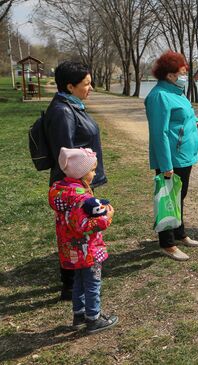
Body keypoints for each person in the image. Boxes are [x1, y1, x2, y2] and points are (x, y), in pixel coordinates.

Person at [46, 61, 107, 301]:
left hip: (82, 183)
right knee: (74, 232)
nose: (90, 88)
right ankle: (72, 285)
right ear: (70, 86)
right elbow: (67, 154)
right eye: (86, 84)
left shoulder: (73, 105)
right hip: (73, 187)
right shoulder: (63, 112)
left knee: (79, 232)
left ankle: (80, 278)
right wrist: (80, 190)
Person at [48, 147, 118, 333]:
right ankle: (93, 318)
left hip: (71, 249)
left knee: (78, 280)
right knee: (93, 282)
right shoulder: (80, 197)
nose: (95, 174)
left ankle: (79, 314)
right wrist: (106, 217)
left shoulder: (62, 191)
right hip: (88, 249)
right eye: (92, 170)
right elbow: (83, 226)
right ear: (80, 173)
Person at [145, 51, 198, 261]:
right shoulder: (159, 96)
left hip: (185, 156)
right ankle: (167, 244)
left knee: (180, 195)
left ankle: (180, 233)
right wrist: (165, 164)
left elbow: (189, 111)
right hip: (172, 158)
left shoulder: (177, 92)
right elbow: (158, 134)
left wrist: (197, 121)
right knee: (167, 199)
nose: (185, 75)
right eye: (182, 72)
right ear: (170, 75)